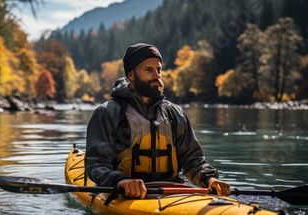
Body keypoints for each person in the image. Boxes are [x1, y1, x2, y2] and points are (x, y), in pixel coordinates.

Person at [85, 43, 230, 199]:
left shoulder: (175, 114)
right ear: (131, 74)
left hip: (170, 193)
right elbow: (97, 163)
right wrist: (120, 180)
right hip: (122, 193)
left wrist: (210, 179)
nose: (157, 75)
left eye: (159, 69)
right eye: (148, 70)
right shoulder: (108, 113)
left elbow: (192, 159)